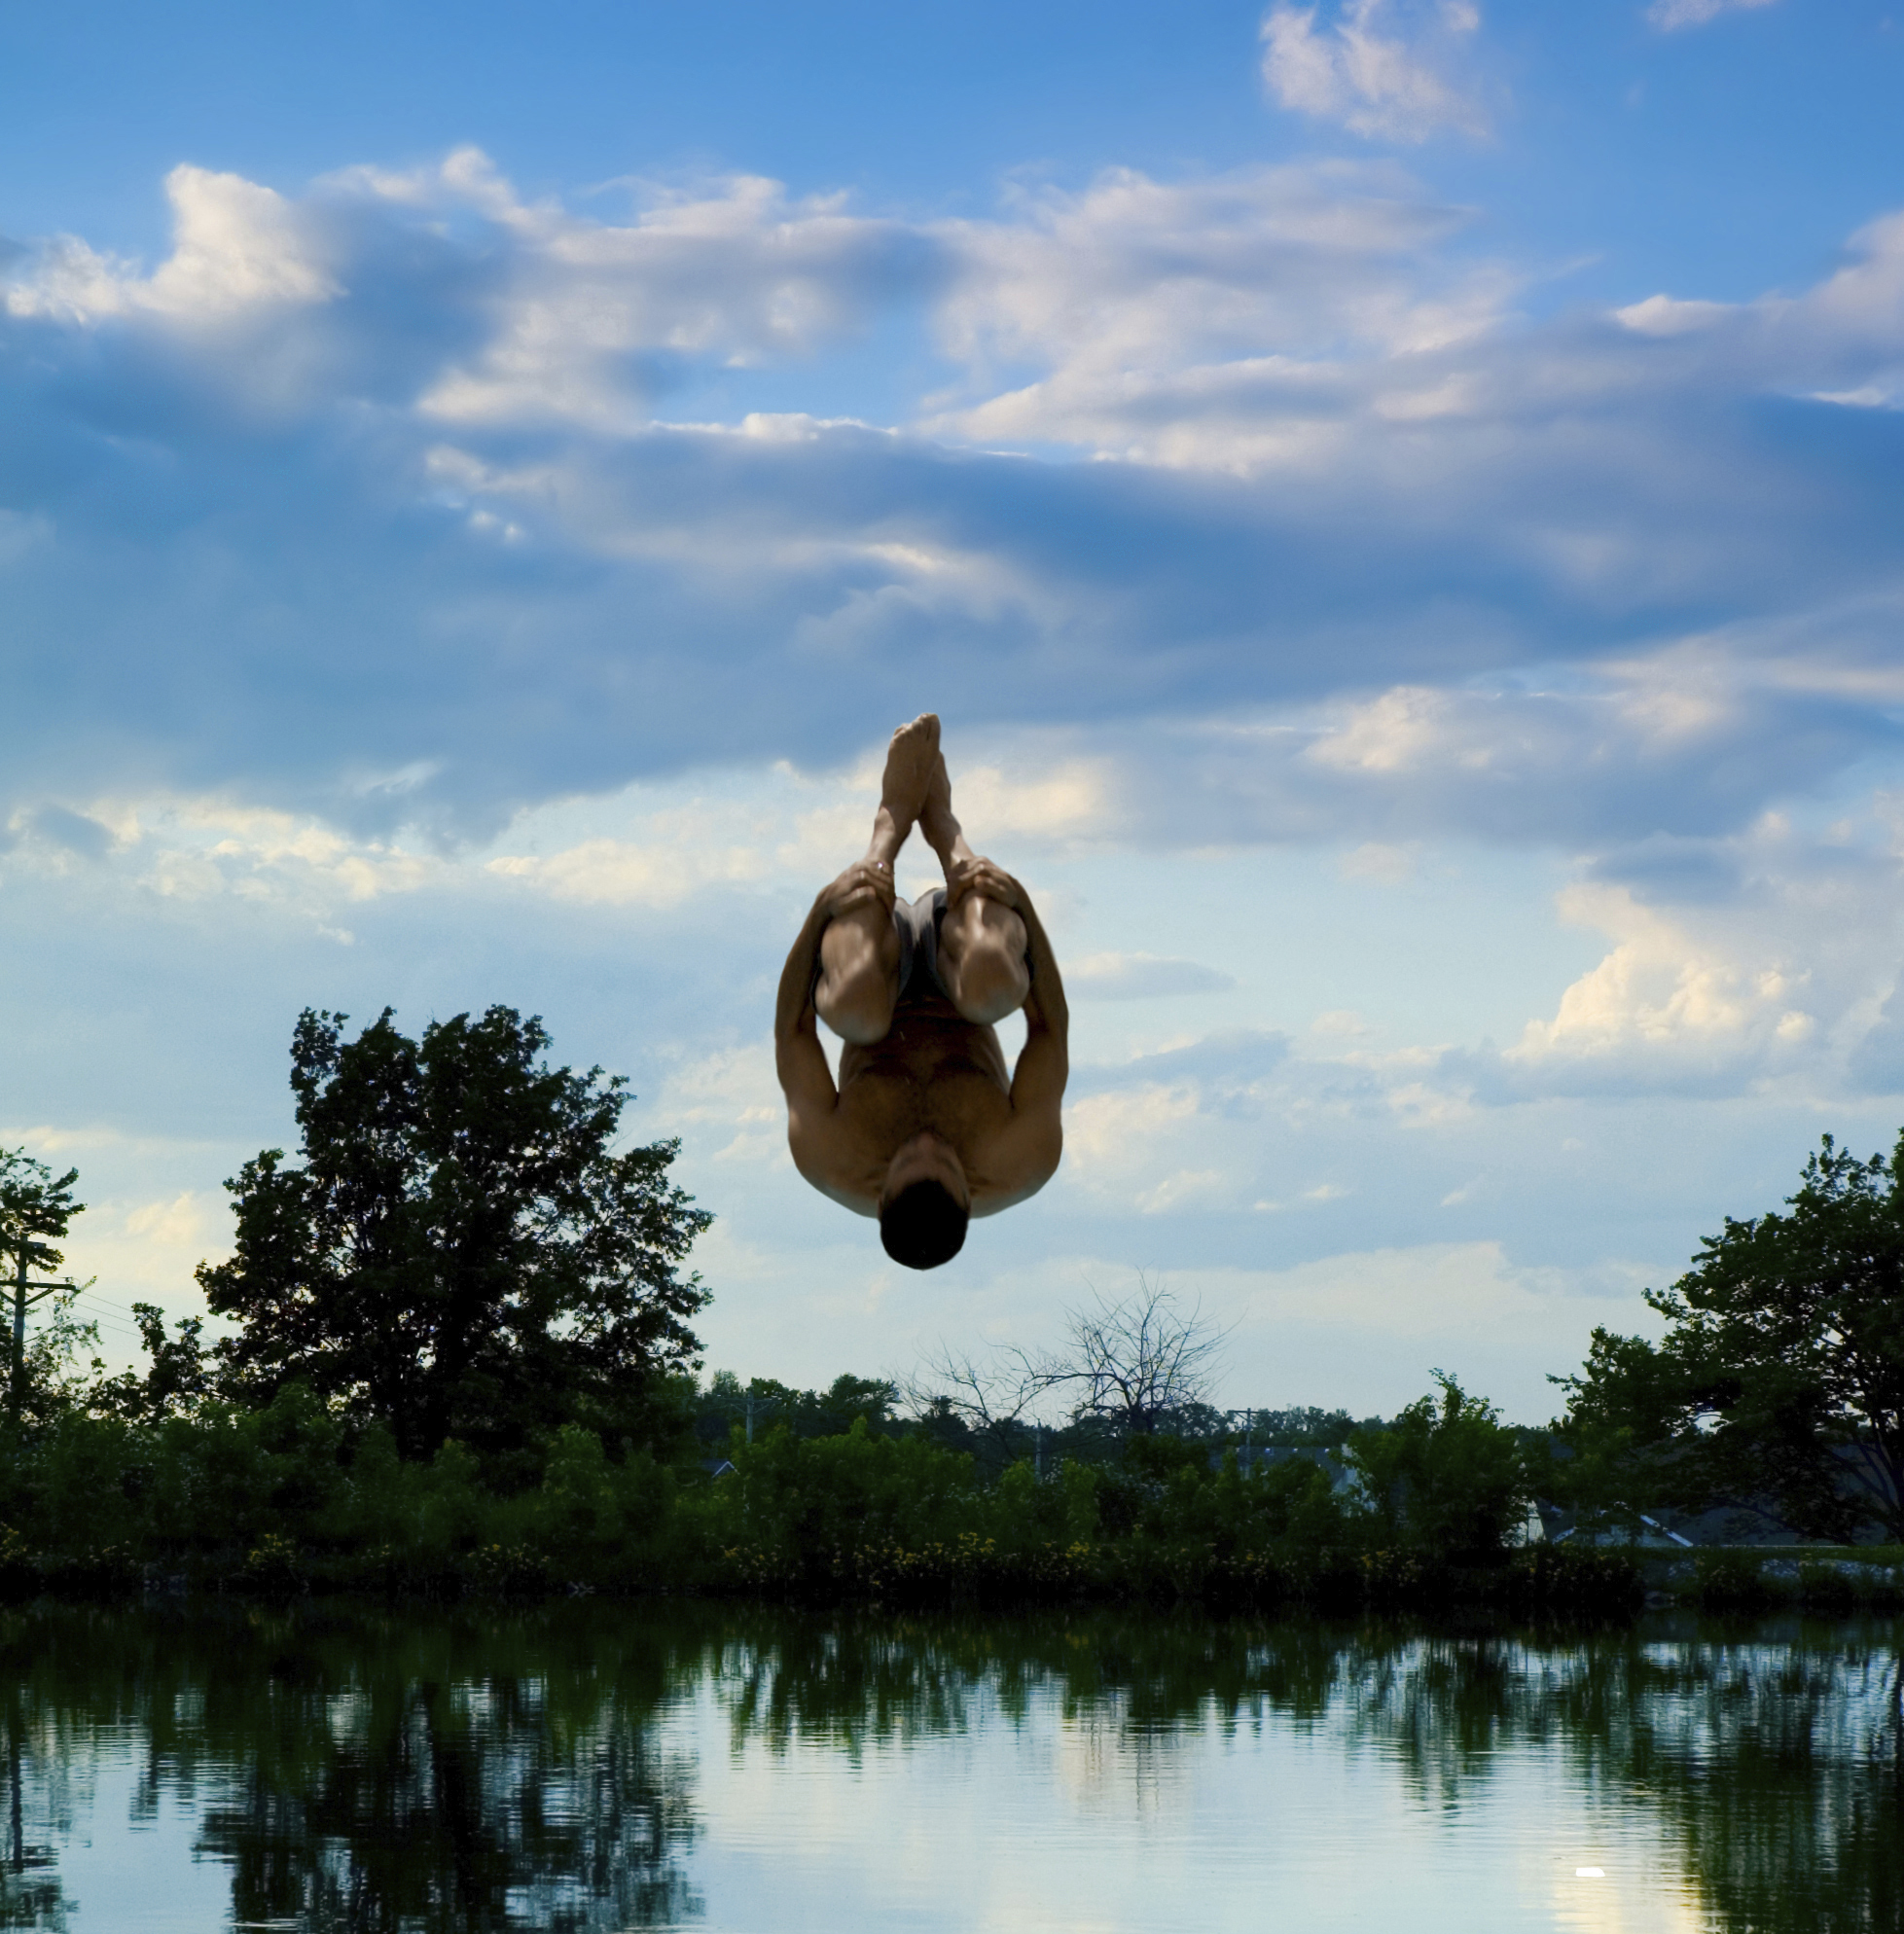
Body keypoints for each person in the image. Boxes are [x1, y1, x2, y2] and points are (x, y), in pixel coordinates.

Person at [774, 714, 1069, 1270]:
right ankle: (949, 839)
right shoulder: (1020, 1161)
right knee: (992, 988)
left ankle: (884, 838)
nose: (929, 1141)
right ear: (969, 1193)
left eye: (911, 1156)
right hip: (955, 962)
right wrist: (1021, 903)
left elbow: (792, 1029)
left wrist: (824, 906)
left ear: (881, 1192)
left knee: (857, 1010)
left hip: (876, 970)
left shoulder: (830, 1158)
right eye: (946, 1160)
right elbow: (1049, 1026)